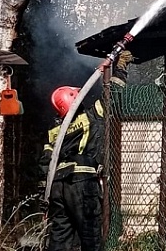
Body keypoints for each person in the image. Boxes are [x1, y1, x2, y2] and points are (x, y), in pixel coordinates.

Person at [40, 51, 133, 251]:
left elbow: (45, 163)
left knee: (60, 239)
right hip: (81, 183)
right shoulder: (89, 117)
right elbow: (113, 95)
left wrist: (46, 195)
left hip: (57, 187)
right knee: (91, 236)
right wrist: (121, 67)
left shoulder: (54, 130)